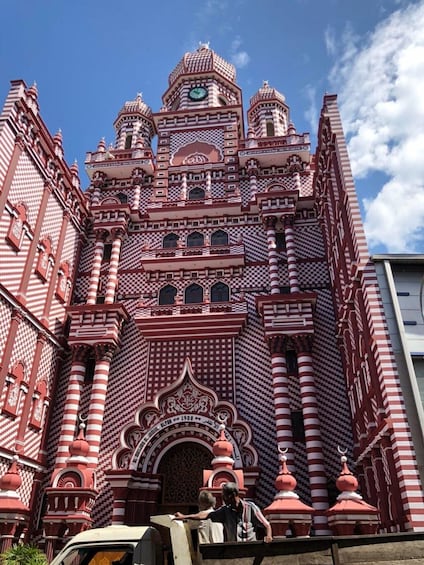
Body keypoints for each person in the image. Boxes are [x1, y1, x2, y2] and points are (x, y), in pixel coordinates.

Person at [175, 482, 273, 543]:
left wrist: (268, 536)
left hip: (250, 550)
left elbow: (266, 525)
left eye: (225, 496)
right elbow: (205, 515)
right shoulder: (225, 511)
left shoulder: (251, 507)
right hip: (234, 552)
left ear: (233, 495)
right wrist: (184, 516)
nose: (223, 499)